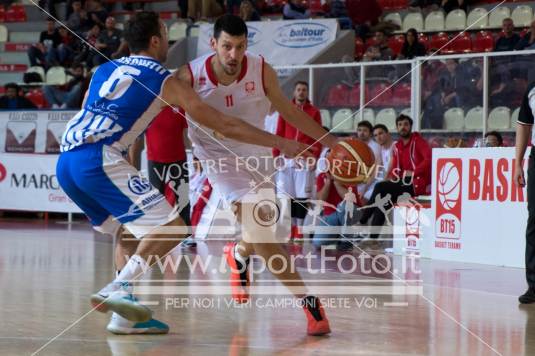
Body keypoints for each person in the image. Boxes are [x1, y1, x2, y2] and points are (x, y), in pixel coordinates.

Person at [56, 11, 312, 335]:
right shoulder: (166, 80)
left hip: (66, 161)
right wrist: (280, 142)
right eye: (165, 33)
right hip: (99, 159)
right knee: (174, 228)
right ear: (155, 40)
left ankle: (123, 317)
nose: (168, 40)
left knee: (128, 232)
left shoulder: (102, 70)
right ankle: (118, 287)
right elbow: (224, 124)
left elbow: (97, 112)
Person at [175, 14, 337, 335]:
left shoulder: (261, 69)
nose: (233, 55)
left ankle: (237, 255)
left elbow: (289, 110)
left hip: (258, 152)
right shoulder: (190, 76)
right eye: (226, 47)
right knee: (263, 234)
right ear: (213, 45)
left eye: (239, 46)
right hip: (220, 161)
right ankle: (310, 306)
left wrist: (331, 142)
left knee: (262, 231)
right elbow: (180, 122)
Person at [359, 114, 431, 239]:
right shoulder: (398, 147)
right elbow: (395, 170)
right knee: (383, 199)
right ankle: (373, 238)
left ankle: (363, 221)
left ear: (410, 127)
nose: (403, 127)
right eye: (400, 125)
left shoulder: (418, 141)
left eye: (406, 124)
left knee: (381, 186)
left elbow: (429, 159)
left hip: (417, 183)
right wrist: (392, 178)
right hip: (403, 183)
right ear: (397, 128)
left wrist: (414, 172)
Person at [273, 81, 323, 238]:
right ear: (294, 92)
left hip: (304, 159)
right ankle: (290, 229)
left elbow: (319, 137)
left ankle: (300, 231)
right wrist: (276, 155)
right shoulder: (285, 111)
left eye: (304, 90)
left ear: (307, 93)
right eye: (298, 89)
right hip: (286, 159)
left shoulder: (314, 112)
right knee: (286, 196)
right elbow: (279, 133)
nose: (301, 92)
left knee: (301, 197)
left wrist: (314, 157)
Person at [514, 80, 535, 304]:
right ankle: (534, 285)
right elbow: (523, 125)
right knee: (534, 219)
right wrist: (518, 163)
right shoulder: (532, 89)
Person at [355, 120, 382, 203]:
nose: (362, 133)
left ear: (370, 133)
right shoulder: (354, 145)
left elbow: (375, 172)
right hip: (358, 181)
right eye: (359, 130)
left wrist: (364, 189)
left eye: (365, 130)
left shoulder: (375, 147)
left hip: (373, 182)